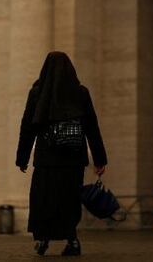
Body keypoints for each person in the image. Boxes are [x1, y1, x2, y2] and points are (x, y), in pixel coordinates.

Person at [16, 51, 107, 257]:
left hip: (46, 159)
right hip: (73, 159)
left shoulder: (38, 93)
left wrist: (22, 157)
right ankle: (72, 240)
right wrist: (100, 159)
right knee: (69, 200)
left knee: (44, 199)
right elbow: (92, 127)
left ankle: (43, 238)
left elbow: (27, 127)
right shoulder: (81, 93)